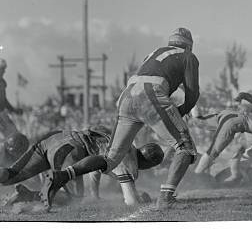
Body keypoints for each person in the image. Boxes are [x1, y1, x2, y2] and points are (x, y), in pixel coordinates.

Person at [40, 28, 200, 211]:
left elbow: (156, 75)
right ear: (189, 45)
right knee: (185, 148)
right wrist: (179, 113)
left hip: (126, 96)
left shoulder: (155, 53)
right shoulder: (188, 56)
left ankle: (62, 176)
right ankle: (166, 197)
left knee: (110, 158)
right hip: (150, 95)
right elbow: (192, 94)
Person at [0, 126, 164, 207]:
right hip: (71, 149)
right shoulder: (129, 162)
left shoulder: (121, 143)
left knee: (12, 174)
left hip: (55, 139)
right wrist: (143, 200)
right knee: (74, 199)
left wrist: (96, 195)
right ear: (148, 162)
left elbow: (97, 170)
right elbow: (131, 201)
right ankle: (28, 196)